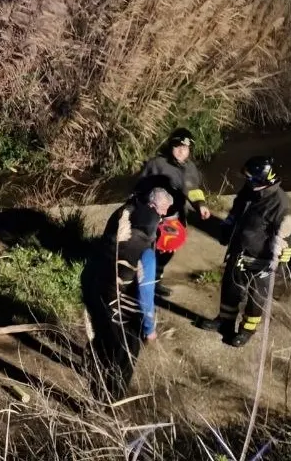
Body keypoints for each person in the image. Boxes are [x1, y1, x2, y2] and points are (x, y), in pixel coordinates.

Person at [81, 187, 174, 400]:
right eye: (161, 213)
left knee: (101, 337)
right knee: (125, 353)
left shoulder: (123, 214)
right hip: (117, 303)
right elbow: (145, 297)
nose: (162, 216)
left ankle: (92, 371)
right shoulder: (146, 254)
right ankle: (110, 401)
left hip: (94, 286)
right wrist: (149, 329)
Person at [198, 156, 291, 347]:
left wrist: (276, 263)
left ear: (263, 179)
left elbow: (286, 236)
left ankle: (246, 330)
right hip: (239, 251)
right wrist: (227, 229)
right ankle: (224, 322)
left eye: (251, 178)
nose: (247, 181)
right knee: (230, 288)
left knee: (255, 298)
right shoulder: (250, 190)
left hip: (261, 259)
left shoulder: (280, 204)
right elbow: (236, 211)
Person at [134, 128, 211, 297]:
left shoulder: (190, 168)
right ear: (170, 146)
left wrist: (200, 204)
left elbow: (193, 189)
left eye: (185, 148)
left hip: (175, 217)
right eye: (177, 147)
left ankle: (155, 282)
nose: (181, 151)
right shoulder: (156, 164)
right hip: (154, 217)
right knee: (149, 251)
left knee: (168, 250)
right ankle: (140, 284)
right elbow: (139, 189)